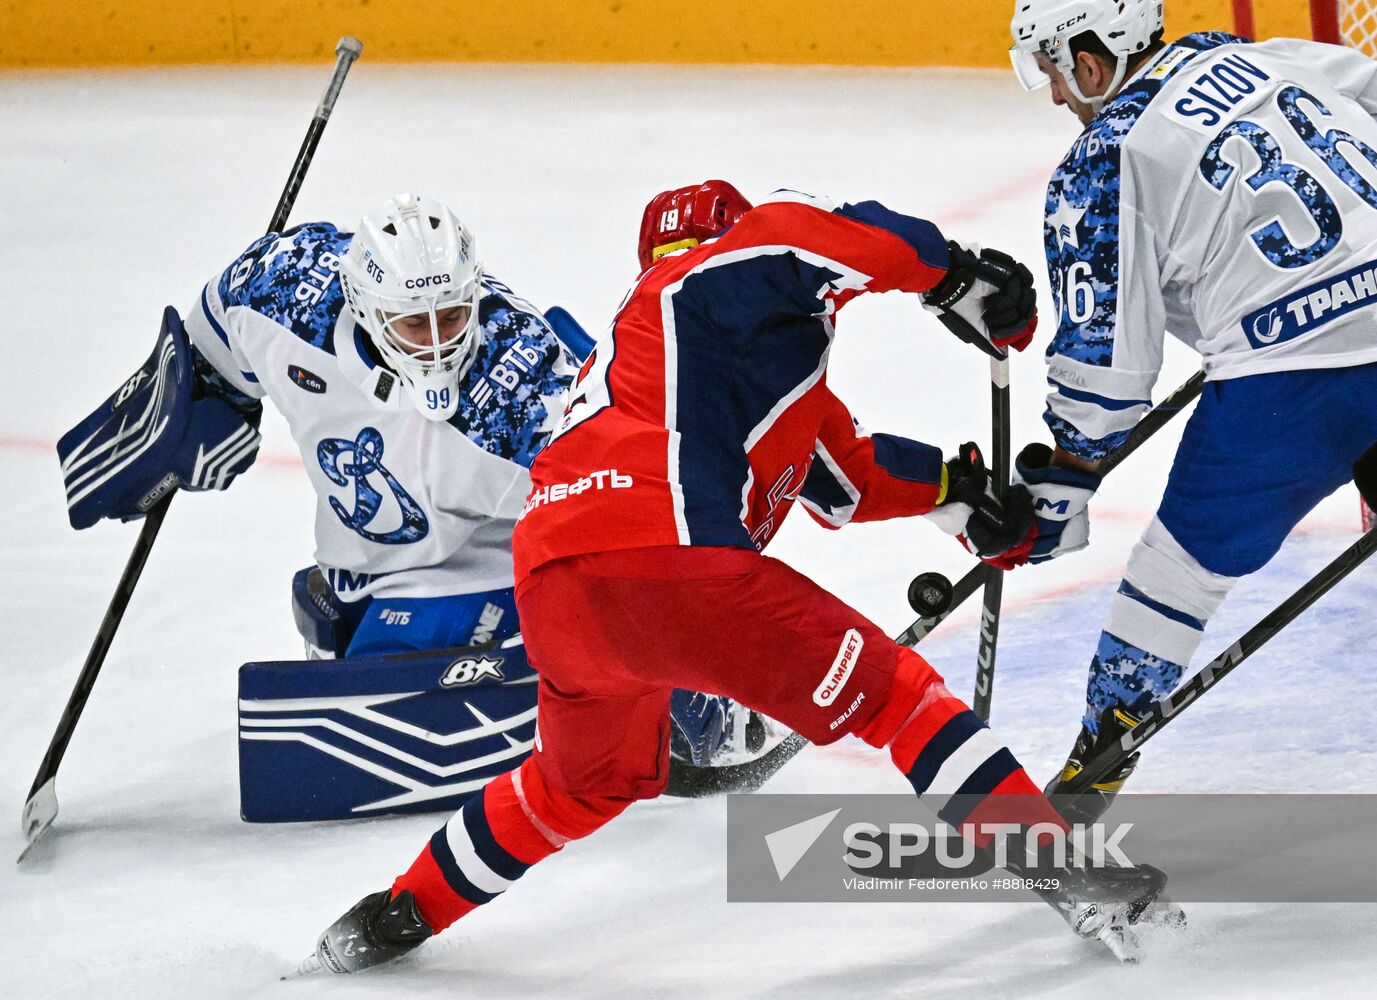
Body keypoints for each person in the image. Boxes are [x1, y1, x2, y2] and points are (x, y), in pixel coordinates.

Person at [299, 180, 1178, 974]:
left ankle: (394, 915)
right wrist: (952, 277)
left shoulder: (693, 374)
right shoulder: (702, 280)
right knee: (898, 700)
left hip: (555, 579)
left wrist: (959, 495)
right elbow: (811, 235)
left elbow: (844, 478)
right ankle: (1070, 874)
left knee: (581, 782)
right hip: (668, 552)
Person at [59, 193, 585, 814]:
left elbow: (627, 495)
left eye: (454, 314)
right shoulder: (284, 292)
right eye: (416, 323)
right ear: (364, 306)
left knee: (395, 664)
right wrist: (193, 404)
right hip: (359, 558)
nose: (440, 343)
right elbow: (216, 330)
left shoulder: (519, 403)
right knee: (350, 625)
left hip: (486, 560)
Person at [1005, 0, 1377, 816]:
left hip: (1291, 378)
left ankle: (1091, 772)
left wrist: (1068, 469)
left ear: (1093, 61)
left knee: (1174, 575)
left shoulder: (1103, 158)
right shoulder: (1257, 56)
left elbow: (1106, 369)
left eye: (1057, 71)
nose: (1058, 96)